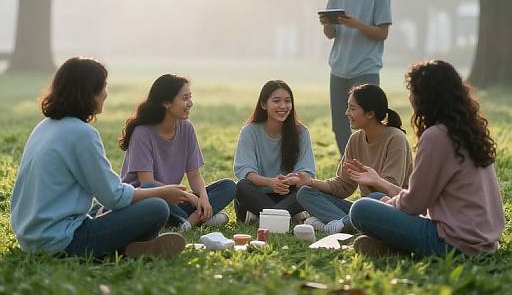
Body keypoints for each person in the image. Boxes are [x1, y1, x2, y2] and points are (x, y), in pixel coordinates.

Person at [10, 57, 188, 259]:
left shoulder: (44, 127)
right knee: (157, 206)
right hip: (62, 241)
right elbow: (114, 197)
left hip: (31, 237)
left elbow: (108, 194)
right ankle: (129, 249)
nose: (106, 93)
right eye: (102, 87)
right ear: (87, 93)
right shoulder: (82, 134)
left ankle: (132, 248)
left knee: (147, 190)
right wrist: (164, 192)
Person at [350, 60, 505, 257]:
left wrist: (390, 204)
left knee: (361, 209)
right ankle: (393, 248)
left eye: (412, 91)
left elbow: (415, 204)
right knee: (374, 198)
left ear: (425, 97)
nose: (410, 97)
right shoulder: (469, 130)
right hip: (485, 239)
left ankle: (399, 249)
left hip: (453, 242)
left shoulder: (436, 136)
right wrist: (389, 200)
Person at [120, 74, 236, 230]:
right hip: (145, 199)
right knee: (153, 194)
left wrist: (204, 198)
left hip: (175, 200)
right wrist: (187, 196)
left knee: (228, 186)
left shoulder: (186, 128)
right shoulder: (142, 133)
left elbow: (194, 175)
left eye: (190, 97)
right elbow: (147, 182)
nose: (190, 103)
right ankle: (192, 221)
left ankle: (186, 221)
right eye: (185, 98)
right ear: (166, 102)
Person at [294, 84, 412, 233]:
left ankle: (338, 224)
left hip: (391, 208)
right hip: (364, 208)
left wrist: (371, 180)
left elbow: (390, 193)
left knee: (375, 197)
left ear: (370, 114)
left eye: (352, 108)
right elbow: (343, 187)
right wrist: (310, 182)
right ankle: (345, 224)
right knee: (305, 193)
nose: (346, 113)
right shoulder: (355, 139)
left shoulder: (396, 138)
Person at [320, 0, 392, 155]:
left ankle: (372, 166)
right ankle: (348, 167)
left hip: (365, 68)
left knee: (368, 123)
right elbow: (330, 34)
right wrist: (327, 23)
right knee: (340, 125)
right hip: (339, 69)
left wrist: (356, 24)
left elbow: (382, 33)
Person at [233, 80, 316, 224]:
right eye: (276, 101)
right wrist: (271, 182)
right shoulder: (249, 131)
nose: (283, 106)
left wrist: (290, 180)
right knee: (241, 186)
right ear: (264, 104)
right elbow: (247, 172)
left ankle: (262, 218)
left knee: (308, 190)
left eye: (287, 101)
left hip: (288, 195)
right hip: (257, 196)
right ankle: (285, 217)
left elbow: (306, 173)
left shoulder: (301, 132)